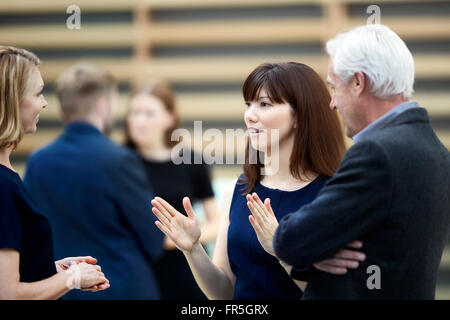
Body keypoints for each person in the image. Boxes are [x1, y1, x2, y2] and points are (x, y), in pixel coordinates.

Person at [151, 62, 367, 299]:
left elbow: (338, 293)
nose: (249, 115)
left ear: (300, 115)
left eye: (264, 104)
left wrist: (282, 252)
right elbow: (224, 293)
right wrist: (192, 249)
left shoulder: (332, 195)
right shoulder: (238, 190)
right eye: (248, 104)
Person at [266, 24, 450, 299]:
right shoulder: (435, 150)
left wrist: (311, 246)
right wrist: (319, 251)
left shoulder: (377, 154)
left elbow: (291, 240)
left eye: (334, 87)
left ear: (358, 82)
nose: (332, 103)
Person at [23, 62, 164, 299]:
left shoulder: (37, 162)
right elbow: (153, 239)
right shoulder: (119, 160)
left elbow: (30, 236)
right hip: (121, 289)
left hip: (62, 290)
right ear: (102, 105)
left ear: (62, 110)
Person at [0, 46, 109, 299]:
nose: (44, 102)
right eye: (38, 93)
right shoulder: (3, 187)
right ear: (12, 100)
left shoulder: (9, 176)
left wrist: (53, 270)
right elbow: (7, 294)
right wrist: (73, 278)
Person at [124, 79, 220, 300]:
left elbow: (216, 222)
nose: (139, 120)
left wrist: (183, 237)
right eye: (135, 112)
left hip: (184, 271)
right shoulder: (118, 162)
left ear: (170, 118)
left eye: (149, 113)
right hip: (136, 272)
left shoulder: (191, 160)